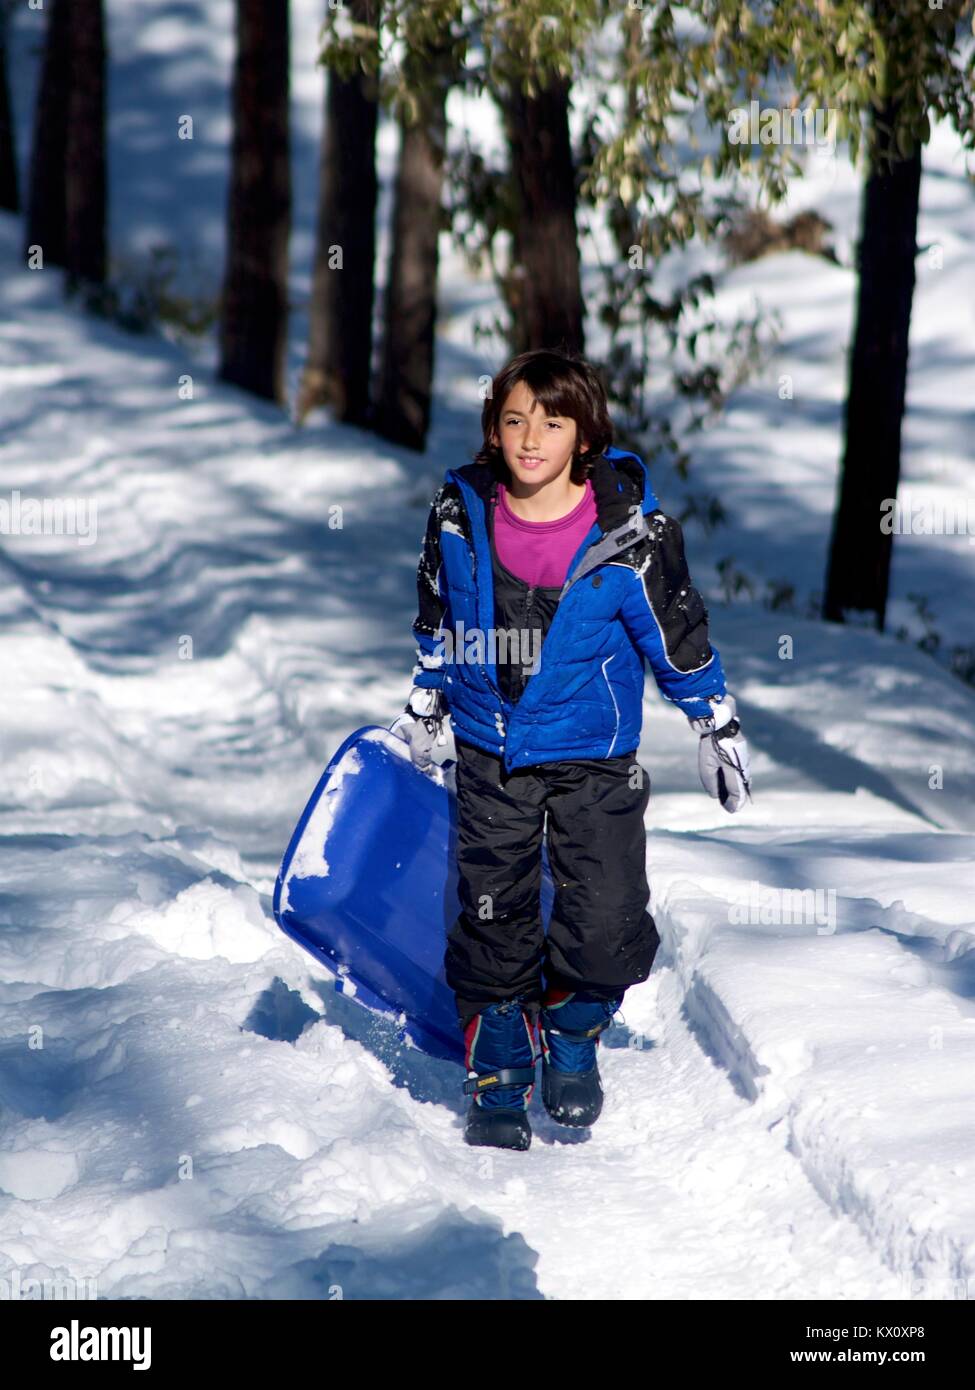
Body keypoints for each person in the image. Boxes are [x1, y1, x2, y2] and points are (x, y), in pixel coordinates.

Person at [393, 348, 751, 1151]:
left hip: (595, 751)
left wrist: (712, 719)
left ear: (583, 436)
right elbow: (435, 608)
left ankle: (572, 1030)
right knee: (492, 914)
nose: (529, 439)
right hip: (490, 748)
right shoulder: (459, 511)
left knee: (607, 918)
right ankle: (498, 1069)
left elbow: (675, 629)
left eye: (551, 423)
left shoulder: (630, 532)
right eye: (513, 419)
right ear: (492, 427)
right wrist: (427, 693)